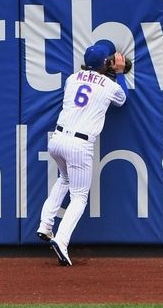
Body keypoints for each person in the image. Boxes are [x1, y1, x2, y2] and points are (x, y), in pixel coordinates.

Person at [36, 41, 130, 266]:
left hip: (57, 140)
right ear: (106, 62)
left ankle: (45, 225)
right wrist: (119, 71)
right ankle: (62, 240)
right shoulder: (109, 85)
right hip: (79, 144)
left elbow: (92, 79)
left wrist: (108, 68)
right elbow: (123, 98)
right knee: (79, 197)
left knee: (64, 179)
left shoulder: (71, 78)